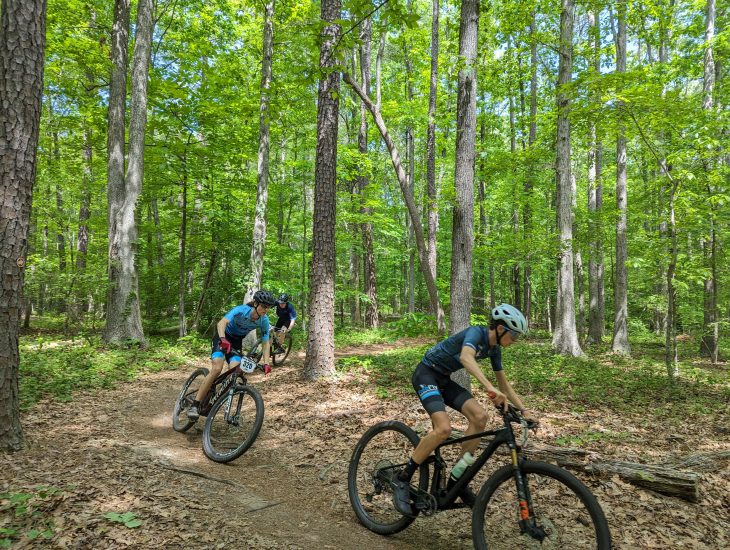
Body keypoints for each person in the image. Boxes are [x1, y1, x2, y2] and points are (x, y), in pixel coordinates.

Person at [392, 303, 535, 516]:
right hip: (426, 374)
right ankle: (402, 478)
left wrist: (524, 411)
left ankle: (457, 479)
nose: (515, 340)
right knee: (443, 429)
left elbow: (504, 386)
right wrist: (488, 387)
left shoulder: (494, 350)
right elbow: (465, 357)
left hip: (443, 379)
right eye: (513, 334)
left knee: (480, 417)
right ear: (500, 328)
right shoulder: (476, 333)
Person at [187, 290, 277, 421]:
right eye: (263, 306)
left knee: (235, 371)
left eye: (268, 307)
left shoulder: (264, 320)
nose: (266, 309)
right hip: (222, 336)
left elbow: (265, 343)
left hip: (235, 342)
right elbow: (221, 323)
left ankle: (214, 393)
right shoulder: (241, 310)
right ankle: (195, 405)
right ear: (256, 303)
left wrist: (267, 363)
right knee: (217, 368)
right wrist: (223, 339)